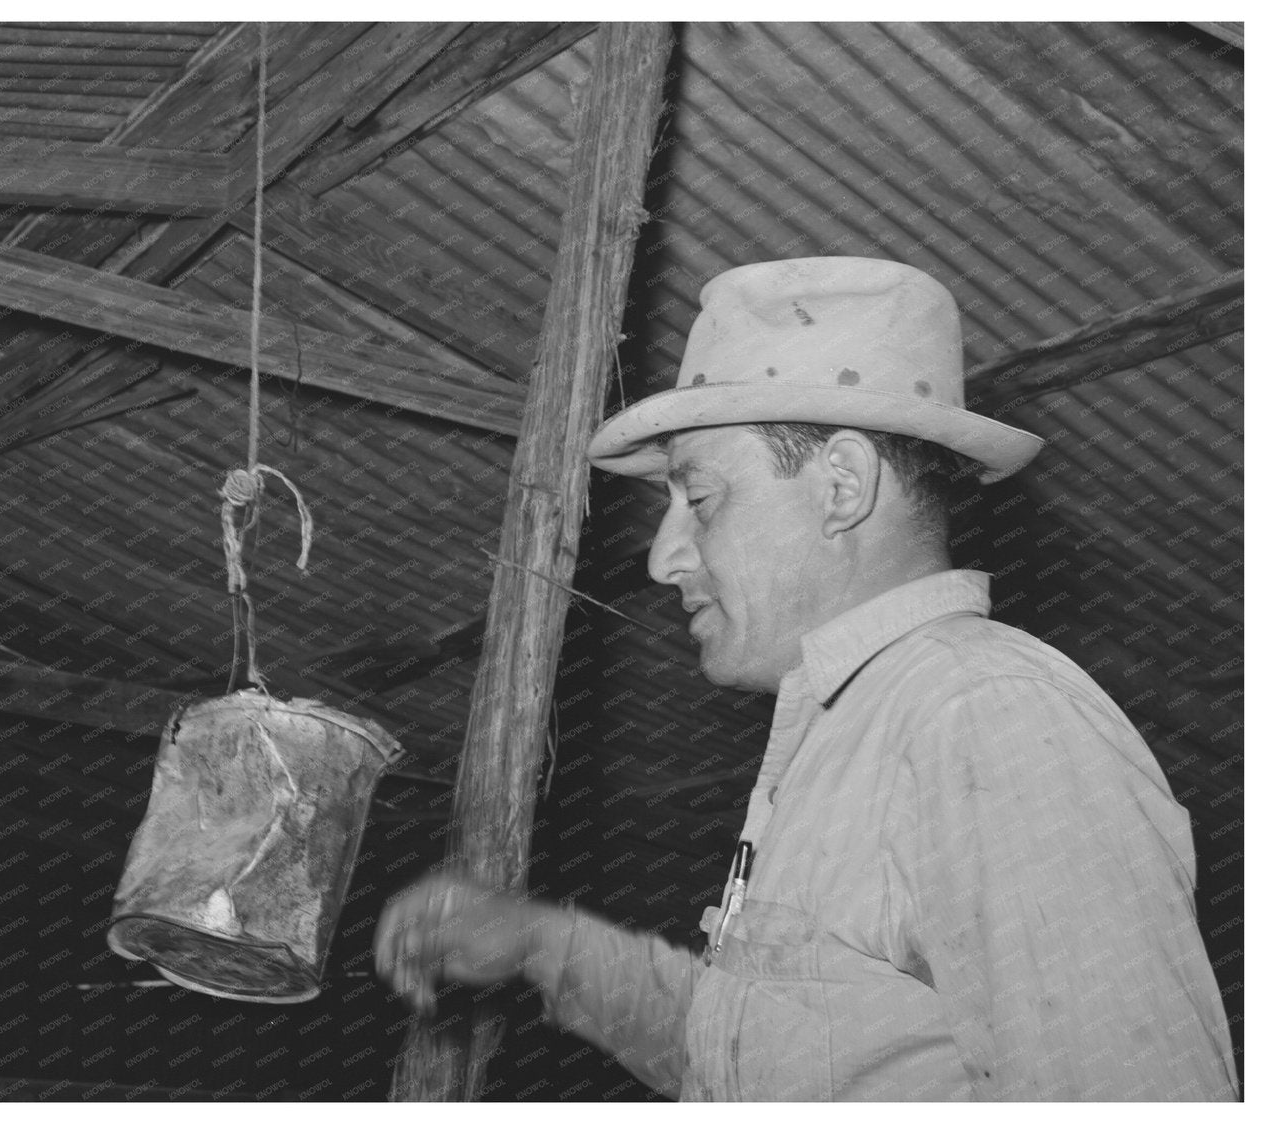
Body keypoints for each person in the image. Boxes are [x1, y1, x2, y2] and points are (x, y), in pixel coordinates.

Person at [373, 258, 1239, 1101]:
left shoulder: (986, 713)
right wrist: (538, 945)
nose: (664, 557)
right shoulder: (844, 733)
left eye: (700, 500)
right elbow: (748, 1065)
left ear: (842, 485)